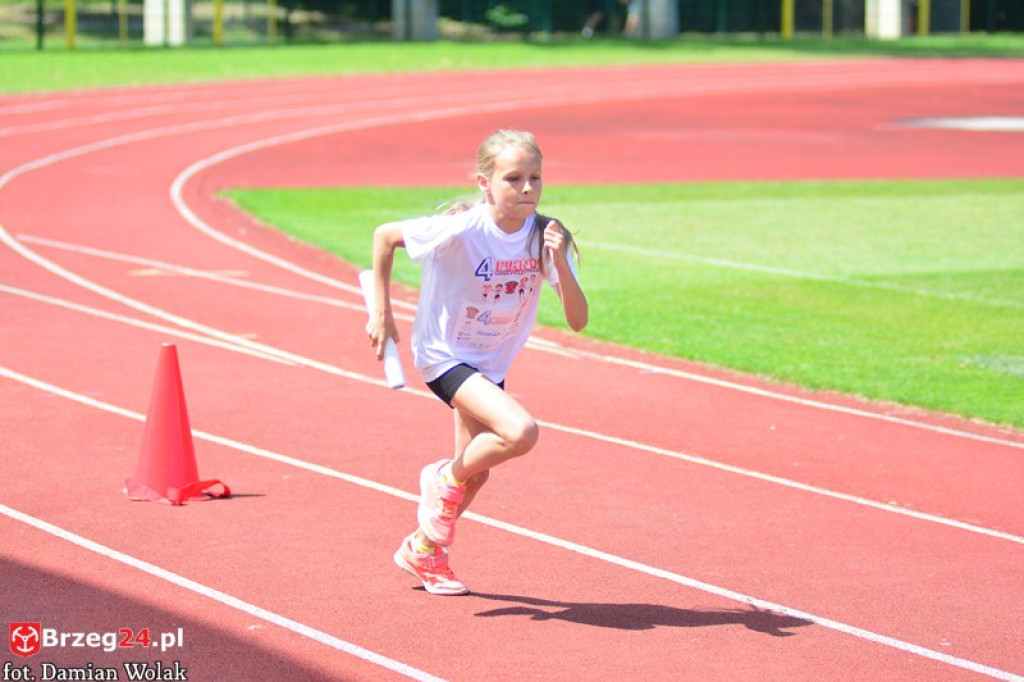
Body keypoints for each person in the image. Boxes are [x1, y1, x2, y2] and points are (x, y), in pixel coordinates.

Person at [366, 130, 589, 595]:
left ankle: (423, 550)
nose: (527, 189)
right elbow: (385, 237)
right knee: (520, 432)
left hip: (490, 360)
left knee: (478, 471)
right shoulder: (463, 228)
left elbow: (578, 320)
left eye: (535, 178)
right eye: (513, 179)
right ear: (485, 184)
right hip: (444, 354)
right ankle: (441, 476)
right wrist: (383, 314)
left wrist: (561, 261)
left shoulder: (543, 235)